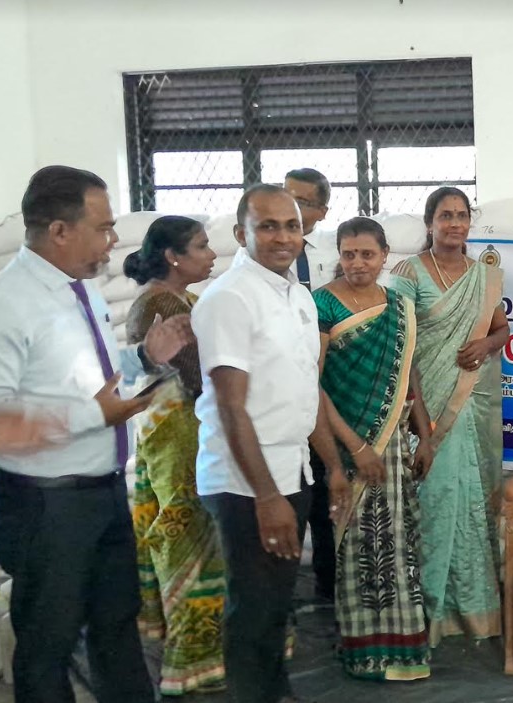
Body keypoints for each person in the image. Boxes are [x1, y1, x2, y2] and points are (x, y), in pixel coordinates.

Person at [0, 165, 192, 703]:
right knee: (49, 646)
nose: (112, 241)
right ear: (59, 231)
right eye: (103, 228)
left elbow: (87, 380)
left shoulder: (78, 292)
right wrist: (94, 417)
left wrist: (143, 356)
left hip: (100, 495)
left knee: (117, 630)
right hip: (43, 506)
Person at [191, 183, 348, 703]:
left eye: (292, 226)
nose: (283, 237)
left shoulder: (297, 295)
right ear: (242, 234)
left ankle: (275, 692)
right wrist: (266, 496)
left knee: (277, 603)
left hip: (293, 470)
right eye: (268, 226)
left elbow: (306, 390)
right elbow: (231, 407)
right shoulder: (230, 298)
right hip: (246, 483)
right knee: (254, 608)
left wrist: (332, 467)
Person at [315, 216, 436, 680]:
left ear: (385, 255)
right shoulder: (321, 304)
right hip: (345, 447)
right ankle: (363, 652)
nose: (357, 263)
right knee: (355, 548)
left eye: (367, 254)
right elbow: (312, 385)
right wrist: (356, 447)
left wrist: (425, 436)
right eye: (348, 254)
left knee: (398, 543)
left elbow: (410, 376)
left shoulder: (399, 305)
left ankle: (404, 649)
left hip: (395, 446)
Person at [388, 186, 508, 644]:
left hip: (470, 404)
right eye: (445, 215)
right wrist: (421, 423)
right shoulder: (408, 272)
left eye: (461, 215)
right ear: (430, 223)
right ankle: (426, 613)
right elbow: (400, 346)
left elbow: (502, 328)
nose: (455, 223)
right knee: (432, 505)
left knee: (470, 501)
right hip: (424, 405)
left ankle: (473, 610)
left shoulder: (485, 277)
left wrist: (487, 344)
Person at [123, 215, 224, 695]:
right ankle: (191, 662)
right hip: (179, 437)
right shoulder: (160, 305)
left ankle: (201, 652)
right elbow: (201, 375)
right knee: (186, 540)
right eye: (202, 246)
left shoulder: (183, 300)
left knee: (194, 537)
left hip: (183, 433)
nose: (212, 255)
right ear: (173, 256)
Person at [285, 167, 341, 603]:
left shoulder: (334, 255)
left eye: (303, 202)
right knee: (288, 495)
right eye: (286, 196)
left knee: (324, 493)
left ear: (322, 211)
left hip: (328, 387)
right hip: (282, 392)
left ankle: (328, 585)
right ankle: (282, 591)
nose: (292, 207)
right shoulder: (264, 257)